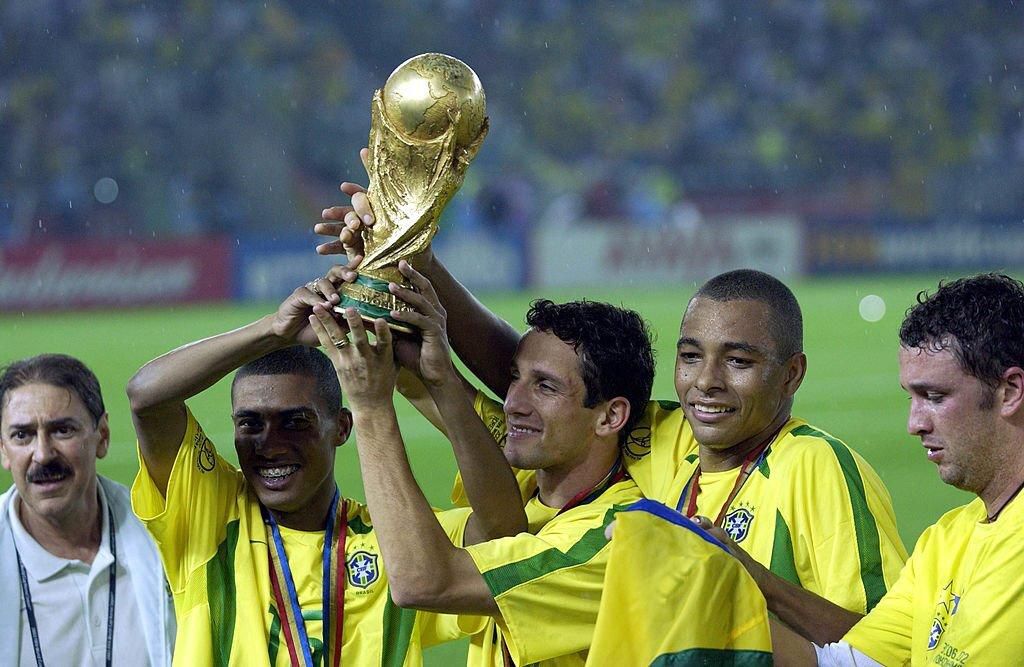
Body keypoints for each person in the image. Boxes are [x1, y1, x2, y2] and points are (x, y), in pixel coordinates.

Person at [316, 179, 906, 642]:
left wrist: (754, 584)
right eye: (691, 356)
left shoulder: (816, 467)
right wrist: (409, 260)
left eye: (739, 362)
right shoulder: (667, 437)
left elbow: (886, 650)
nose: (706, 383)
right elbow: (547, 384)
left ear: (792, 374)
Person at [126, 276, 524, 666]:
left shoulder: (396, 543)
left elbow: (502, 529)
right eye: (250, 424)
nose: (271, 444)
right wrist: (274, 330)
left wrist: (441, 382)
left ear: (342, 428)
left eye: (295, 422)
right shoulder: (210, 516)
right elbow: (147, 397)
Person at [307, 264, 651, 666]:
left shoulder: (613, 536)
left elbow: (424, 581)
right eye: (514, 378)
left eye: (545, 386)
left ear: (610, 417)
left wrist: (369, 408)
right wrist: (378, 270)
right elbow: (423, 379)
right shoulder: (528, 475)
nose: (513, 403)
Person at [771, 273, 1024, 665]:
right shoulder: (944, 540)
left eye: (935, 396)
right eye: (911, 397)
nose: (914, 424)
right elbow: (849, 663)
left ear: (1009, 391)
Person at [0, 353, 174, 666]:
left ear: (102, 436)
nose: (42, 454)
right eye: (22, 435)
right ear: (4, 450)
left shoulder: (163, 534)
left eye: (62, 430)